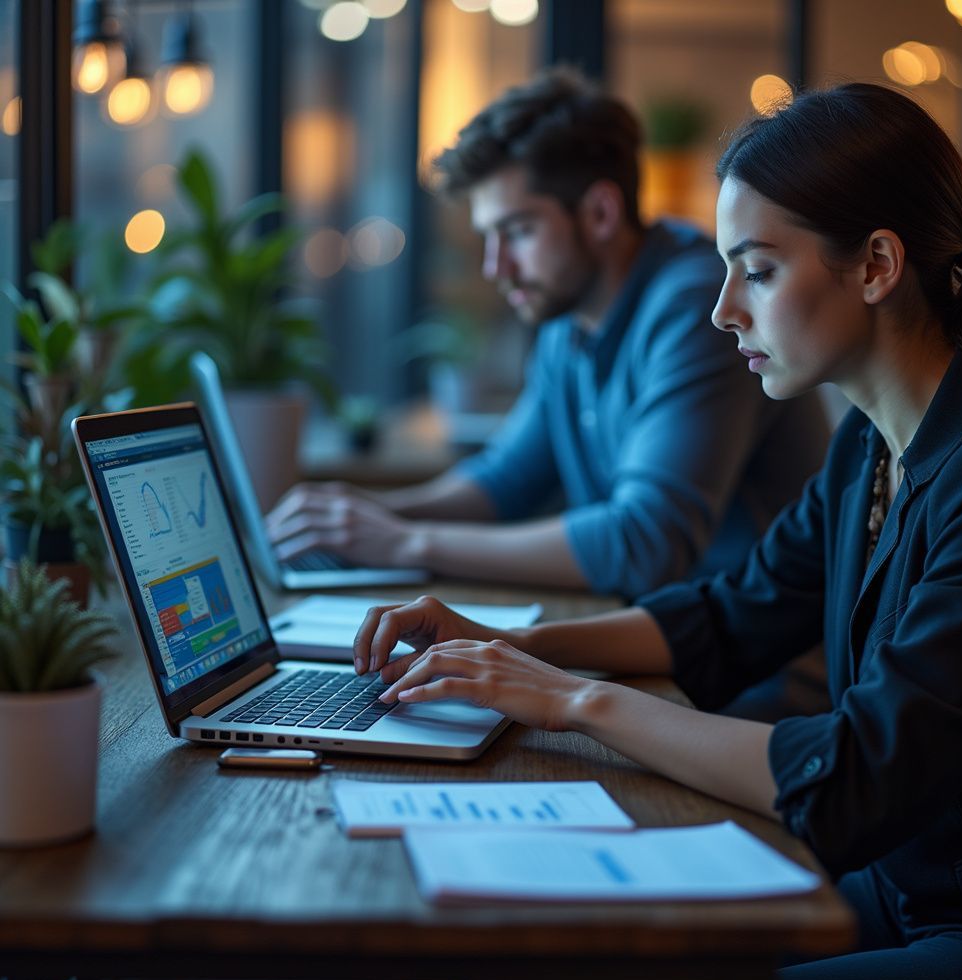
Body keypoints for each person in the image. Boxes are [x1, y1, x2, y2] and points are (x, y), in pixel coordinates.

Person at [351, 83, 962, 980]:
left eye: (755, 270)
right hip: (891, 887)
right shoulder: (870, 446)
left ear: (875, 265)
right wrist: (514, 652)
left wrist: (570, 700)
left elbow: (857, 778)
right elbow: (729, 613)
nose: (722, 312)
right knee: (517, 954)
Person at [267, 68, 830, 602]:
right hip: (662, 644)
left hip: (752, 686)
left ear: (601, 212)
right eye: (489, 238)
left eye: (516, 232)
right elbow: (507, 479)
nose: (496, 267)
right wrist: (365, 518)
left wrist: (404, 542)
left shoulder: (693, 303)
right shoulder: (569, 319)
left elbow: (646, 543)